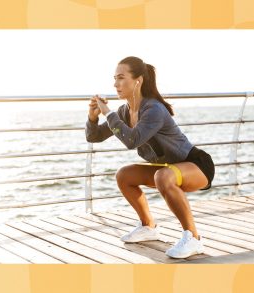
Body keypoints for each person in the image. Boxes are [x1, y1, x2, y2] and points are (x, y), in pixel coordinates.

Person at [85, 56, 215, 258]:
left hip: (196, 165)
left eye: (121, 78)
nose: (115, 84)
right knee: (125, 175)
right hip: (167, 167)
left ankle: (194, 239)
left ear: (138, 81)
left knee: (163, 176)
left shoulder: (153, 109)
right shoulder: (125, 111)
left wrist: (108, 113)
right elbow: (94, 137)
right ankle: (148, 227)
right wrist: (92, 117)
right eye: (114, 78)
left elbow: (132, 140)